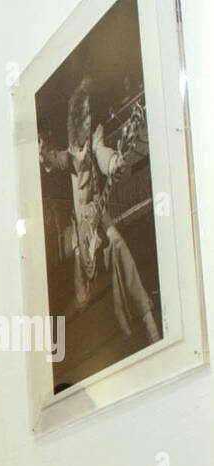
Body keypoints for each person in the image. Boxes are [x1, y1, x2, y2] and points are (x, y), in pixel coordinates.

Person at [38, 77, 160, 345]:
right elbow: (56, 160)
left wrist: (115, 161)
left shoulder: (95, 138)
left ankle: (147, 318)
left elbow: (104, 154)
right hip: (82, 224)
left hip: (99, 211)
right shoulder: (70, 154)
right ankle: (56, 336)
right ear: (75, 119)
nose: (87, 120)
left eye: (89, 114)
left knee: (119, 245)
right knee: (82, 296)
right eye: (84, 114)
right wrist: (43, 154)